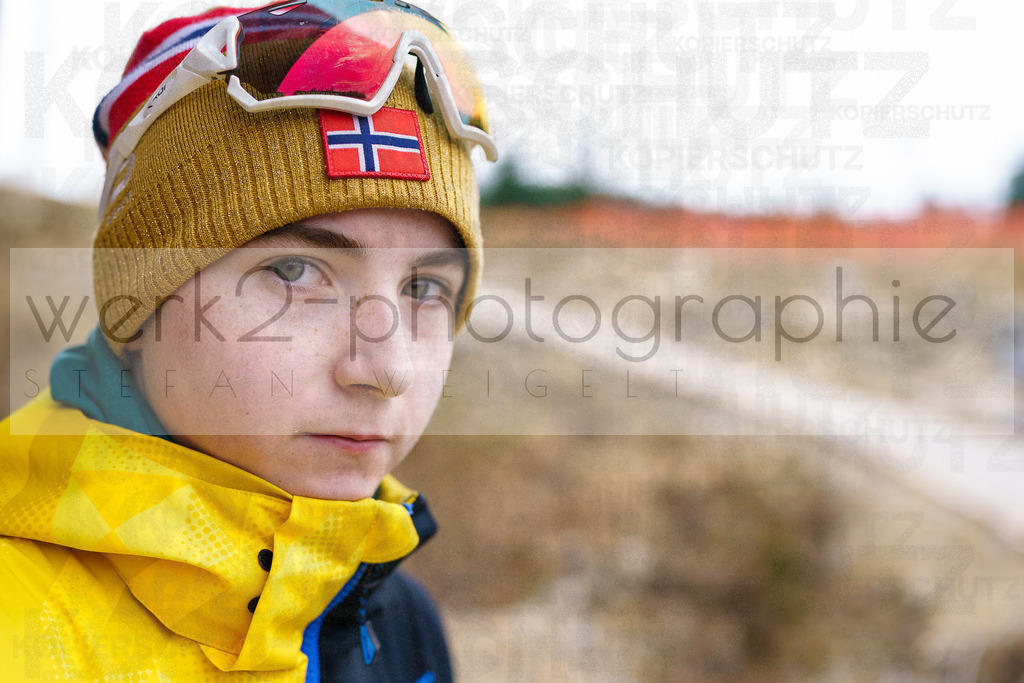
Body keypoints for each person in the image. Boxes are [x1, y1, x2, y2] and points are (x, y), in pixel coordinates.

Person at [0, 0, 496, 680]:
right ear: (137, 306)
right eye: (294, 272)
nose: (387, 368)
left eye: (423, 289)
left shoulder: (398, 620)